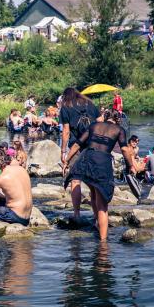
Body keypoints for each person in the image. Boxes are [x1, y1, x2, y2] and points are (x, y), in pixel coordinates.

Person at [63, 110, 135, 241]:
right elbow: (124, 149)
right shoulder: (119, 130)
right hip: (102, 162)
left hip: (86, 160)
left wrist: (66, 160)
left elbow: (78, 144)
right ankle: (103, 241)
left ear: (105, 118)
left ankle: (97, 223)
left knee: (94, 191)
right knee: (102, 204)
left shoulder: (94, 125)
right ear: (118, 120)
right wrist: (131, 165)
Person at [59, 87, 100, 219]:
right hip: (93, 146)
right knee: (94, 182)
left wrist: (63, 151)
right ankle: (96, 215)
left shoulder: (65, 107)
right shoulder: (90, 103)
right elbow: (100, 122)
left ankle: (76, 213)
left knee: (75, 180)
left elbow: (65, 131)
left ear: (65, 96)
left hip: (75, 146)